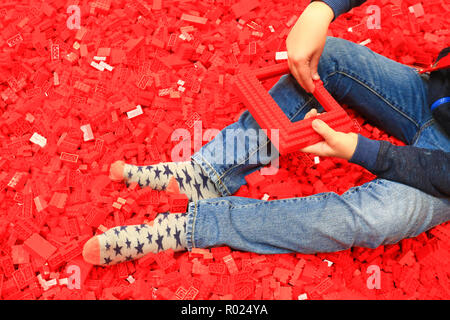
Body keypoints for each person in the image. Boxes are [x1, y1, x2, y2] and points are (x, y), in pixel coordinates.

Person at [82, 0, 449, 266]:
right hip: (430, 95)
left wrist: (365, 151)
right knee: (327, 57)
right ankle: (207, 174)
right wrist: (323, 8)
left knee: (373, 218)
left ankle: (199, 224)